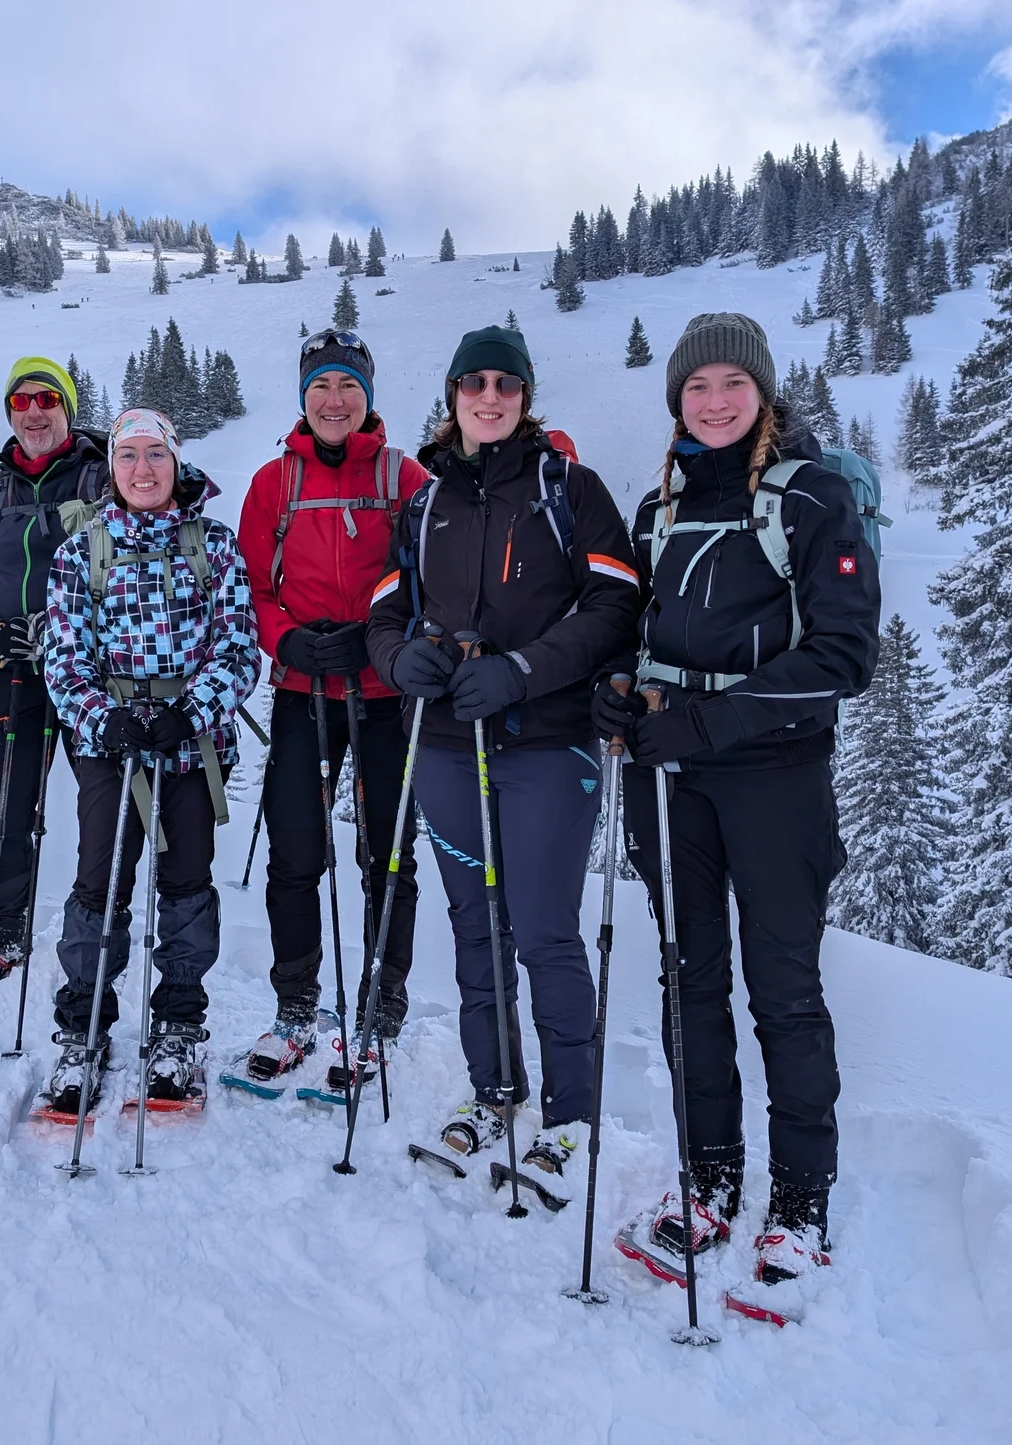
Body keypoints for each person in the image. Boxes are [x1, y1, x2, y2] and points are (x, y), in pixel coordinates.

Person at [597, 312, 879, 1305]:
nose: (714, 402)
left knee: (784, 990)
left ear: (763, 391)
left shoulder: (813, 499)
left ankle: (800, 1198)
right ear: (675, 399)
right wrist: (618, 688)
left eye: (732, 383)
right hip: (669, 777)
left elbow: (846, 655)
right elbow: (636, 630)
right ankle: (708, 1176)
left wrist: (707, 725)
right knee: (689, 980)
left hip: (773, 778)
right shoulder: (657, 509)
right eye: (696, 386)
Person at [366, 325, 640, 1187]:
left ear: (525, 396)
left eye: (506, 384)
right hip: (447, 744)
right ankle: (493, 1092)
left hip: (547, 746)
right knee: (475, 927)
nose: (490, 397)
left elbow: (616, 602)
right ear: (451, 395)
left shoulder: (569, 489)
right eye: (474, 382)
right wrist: (397, 658)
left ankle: (570, 1120)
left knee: (548, 933)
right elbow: (385, 607)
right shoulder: (424, 504)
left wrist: (524, 672)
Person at [38, 408, 258, 1110]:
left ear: (175, 461)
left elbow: (239, 647)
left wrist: (189, 713)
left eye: (154, 455)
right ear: (112, 468)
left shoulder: (214, 547)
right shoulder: (83, 550)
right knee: (100, 880)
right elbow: (63, 655)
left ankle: (178, 1024)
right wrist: (105, 721)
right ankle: (83, 1028)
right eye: (128, 455)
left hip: (191, 741)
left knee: (187, 882)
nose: (141, 469)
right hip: (111, 744)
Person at [234, 329, 429, 1088]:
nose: (335, 400)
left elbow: (429, 580)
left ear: (368, 397)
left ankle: (381, 1007)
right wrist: (287, 642)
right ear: (303, 396)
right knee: (295, 851)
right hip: (303, 693)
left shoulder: (401, 476)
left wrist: (381, 641)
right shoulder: (273, 483)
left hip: (382, 695)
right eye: (321, 386)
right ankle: (295, 1007)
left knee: (386, 854)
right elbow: (251, 589)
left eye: (348, 385)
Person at [0, 357, 107, 989]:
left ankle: (95, 928)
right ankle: (3, 931)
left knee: (102, 804)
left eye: (47, 398)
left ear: (67, 407)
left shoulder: (103, 476)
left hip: (95, 674)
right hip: (17, 671)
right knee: (6, 802)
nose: (34, 411)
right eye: (21, 401)